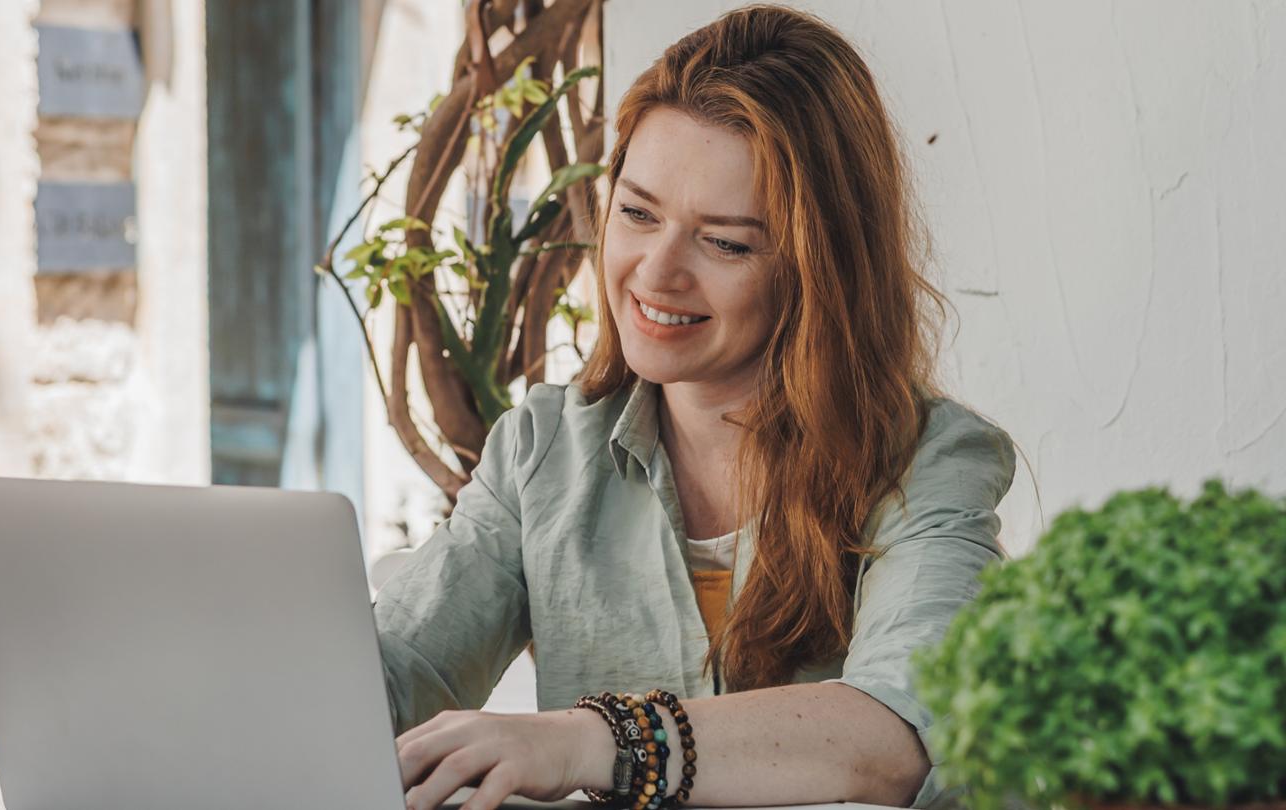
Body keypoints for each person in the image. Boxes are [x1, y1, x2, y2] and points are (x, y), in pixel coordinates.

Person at [374, 6, 1017, 810]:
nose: (657, 272)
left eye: (726, 243)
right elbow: (391, 679)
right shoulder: (543, 450)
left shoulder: (930, 461)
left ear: (821, 270)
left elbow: (904, 732)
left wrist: (591, 741)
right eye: (638, 213)